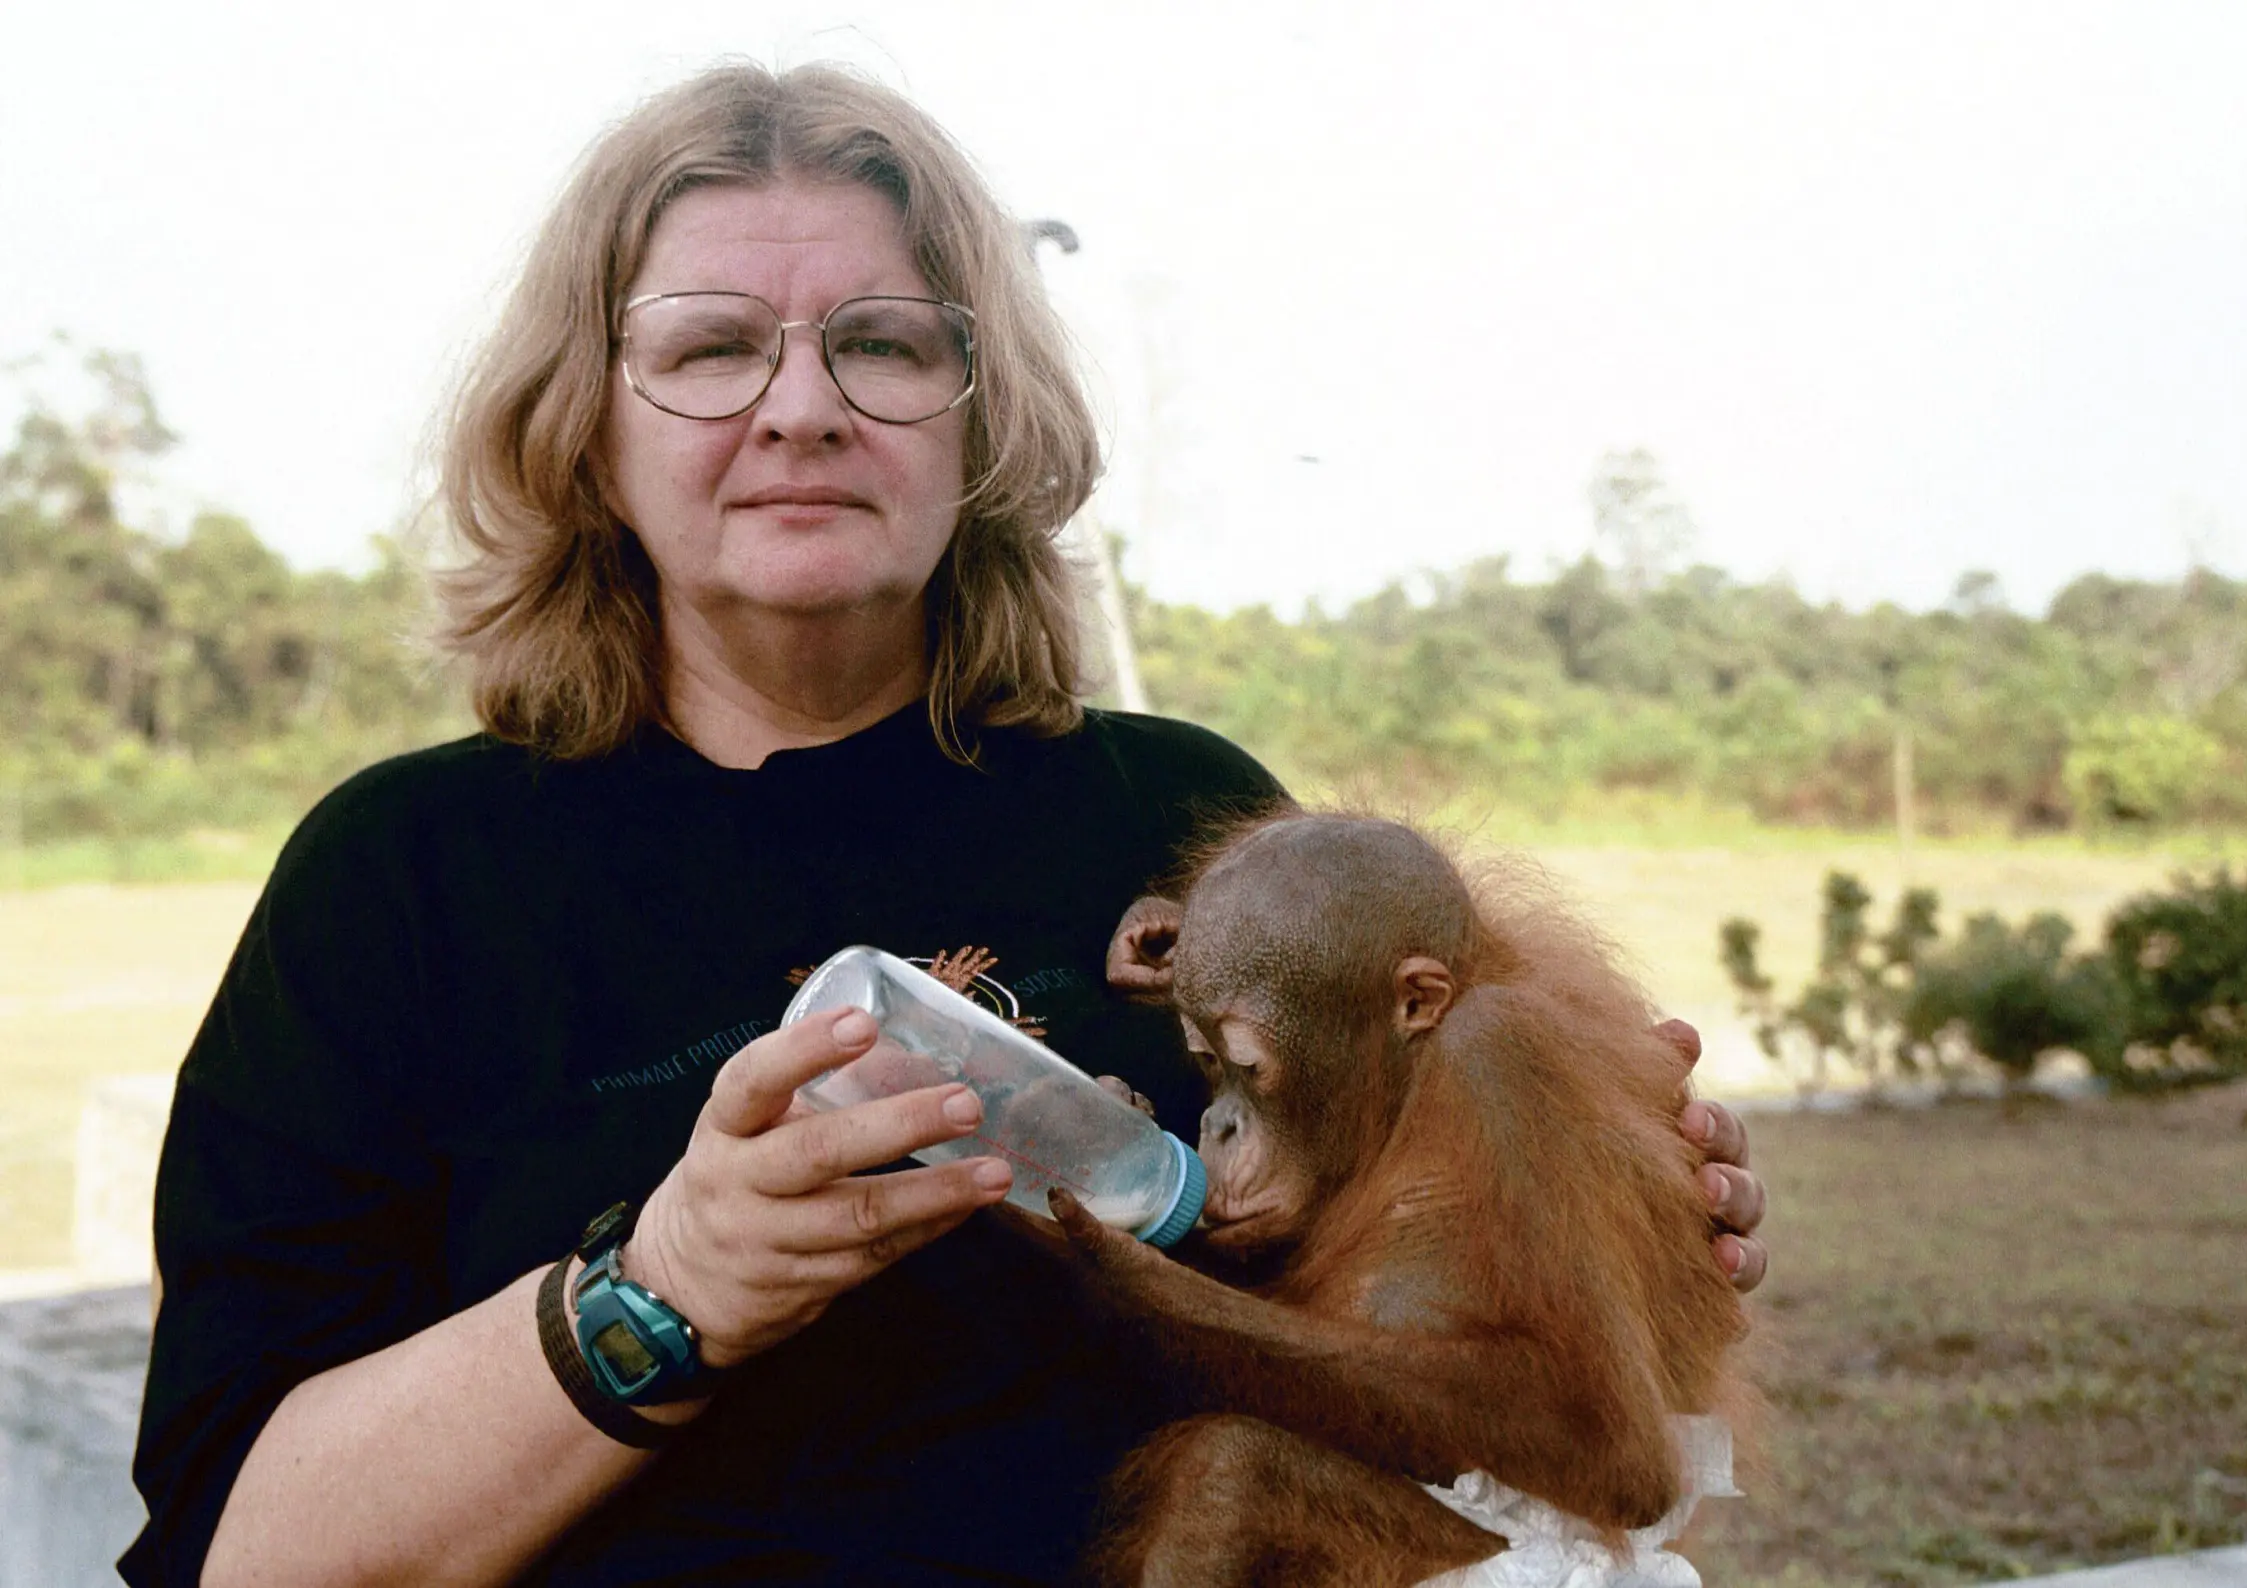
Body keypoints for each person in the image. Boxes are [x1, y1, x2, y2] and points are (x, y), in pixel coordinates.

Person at [124, 60, 1768, 1588]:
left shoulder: (1192, 819)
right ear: (587, 420)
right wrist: (669, 1286)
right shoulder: (401, 881)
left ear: (979, 415)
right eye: (710, 348)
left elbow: (1462, 1356)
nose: (802, 408)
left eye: (887, 343)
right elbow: (239, 1548)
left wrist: (1587, 1197)